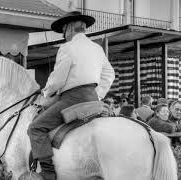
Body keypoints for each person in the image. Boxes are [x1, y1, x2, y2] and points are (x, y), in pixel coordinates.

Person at [27, 11, 115, 180]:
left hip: (71, 99)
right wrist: (97, 95)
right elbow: (109, 74)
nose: (64, 35)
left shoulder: (67, 47)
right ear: (82, 28)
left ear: (68, 28)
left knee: (35, 128)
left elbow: (57, 79)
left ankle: (47, 173)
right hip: (93, 99)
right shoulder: (97, 48)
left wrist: (45, 93)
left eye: (63, 31)